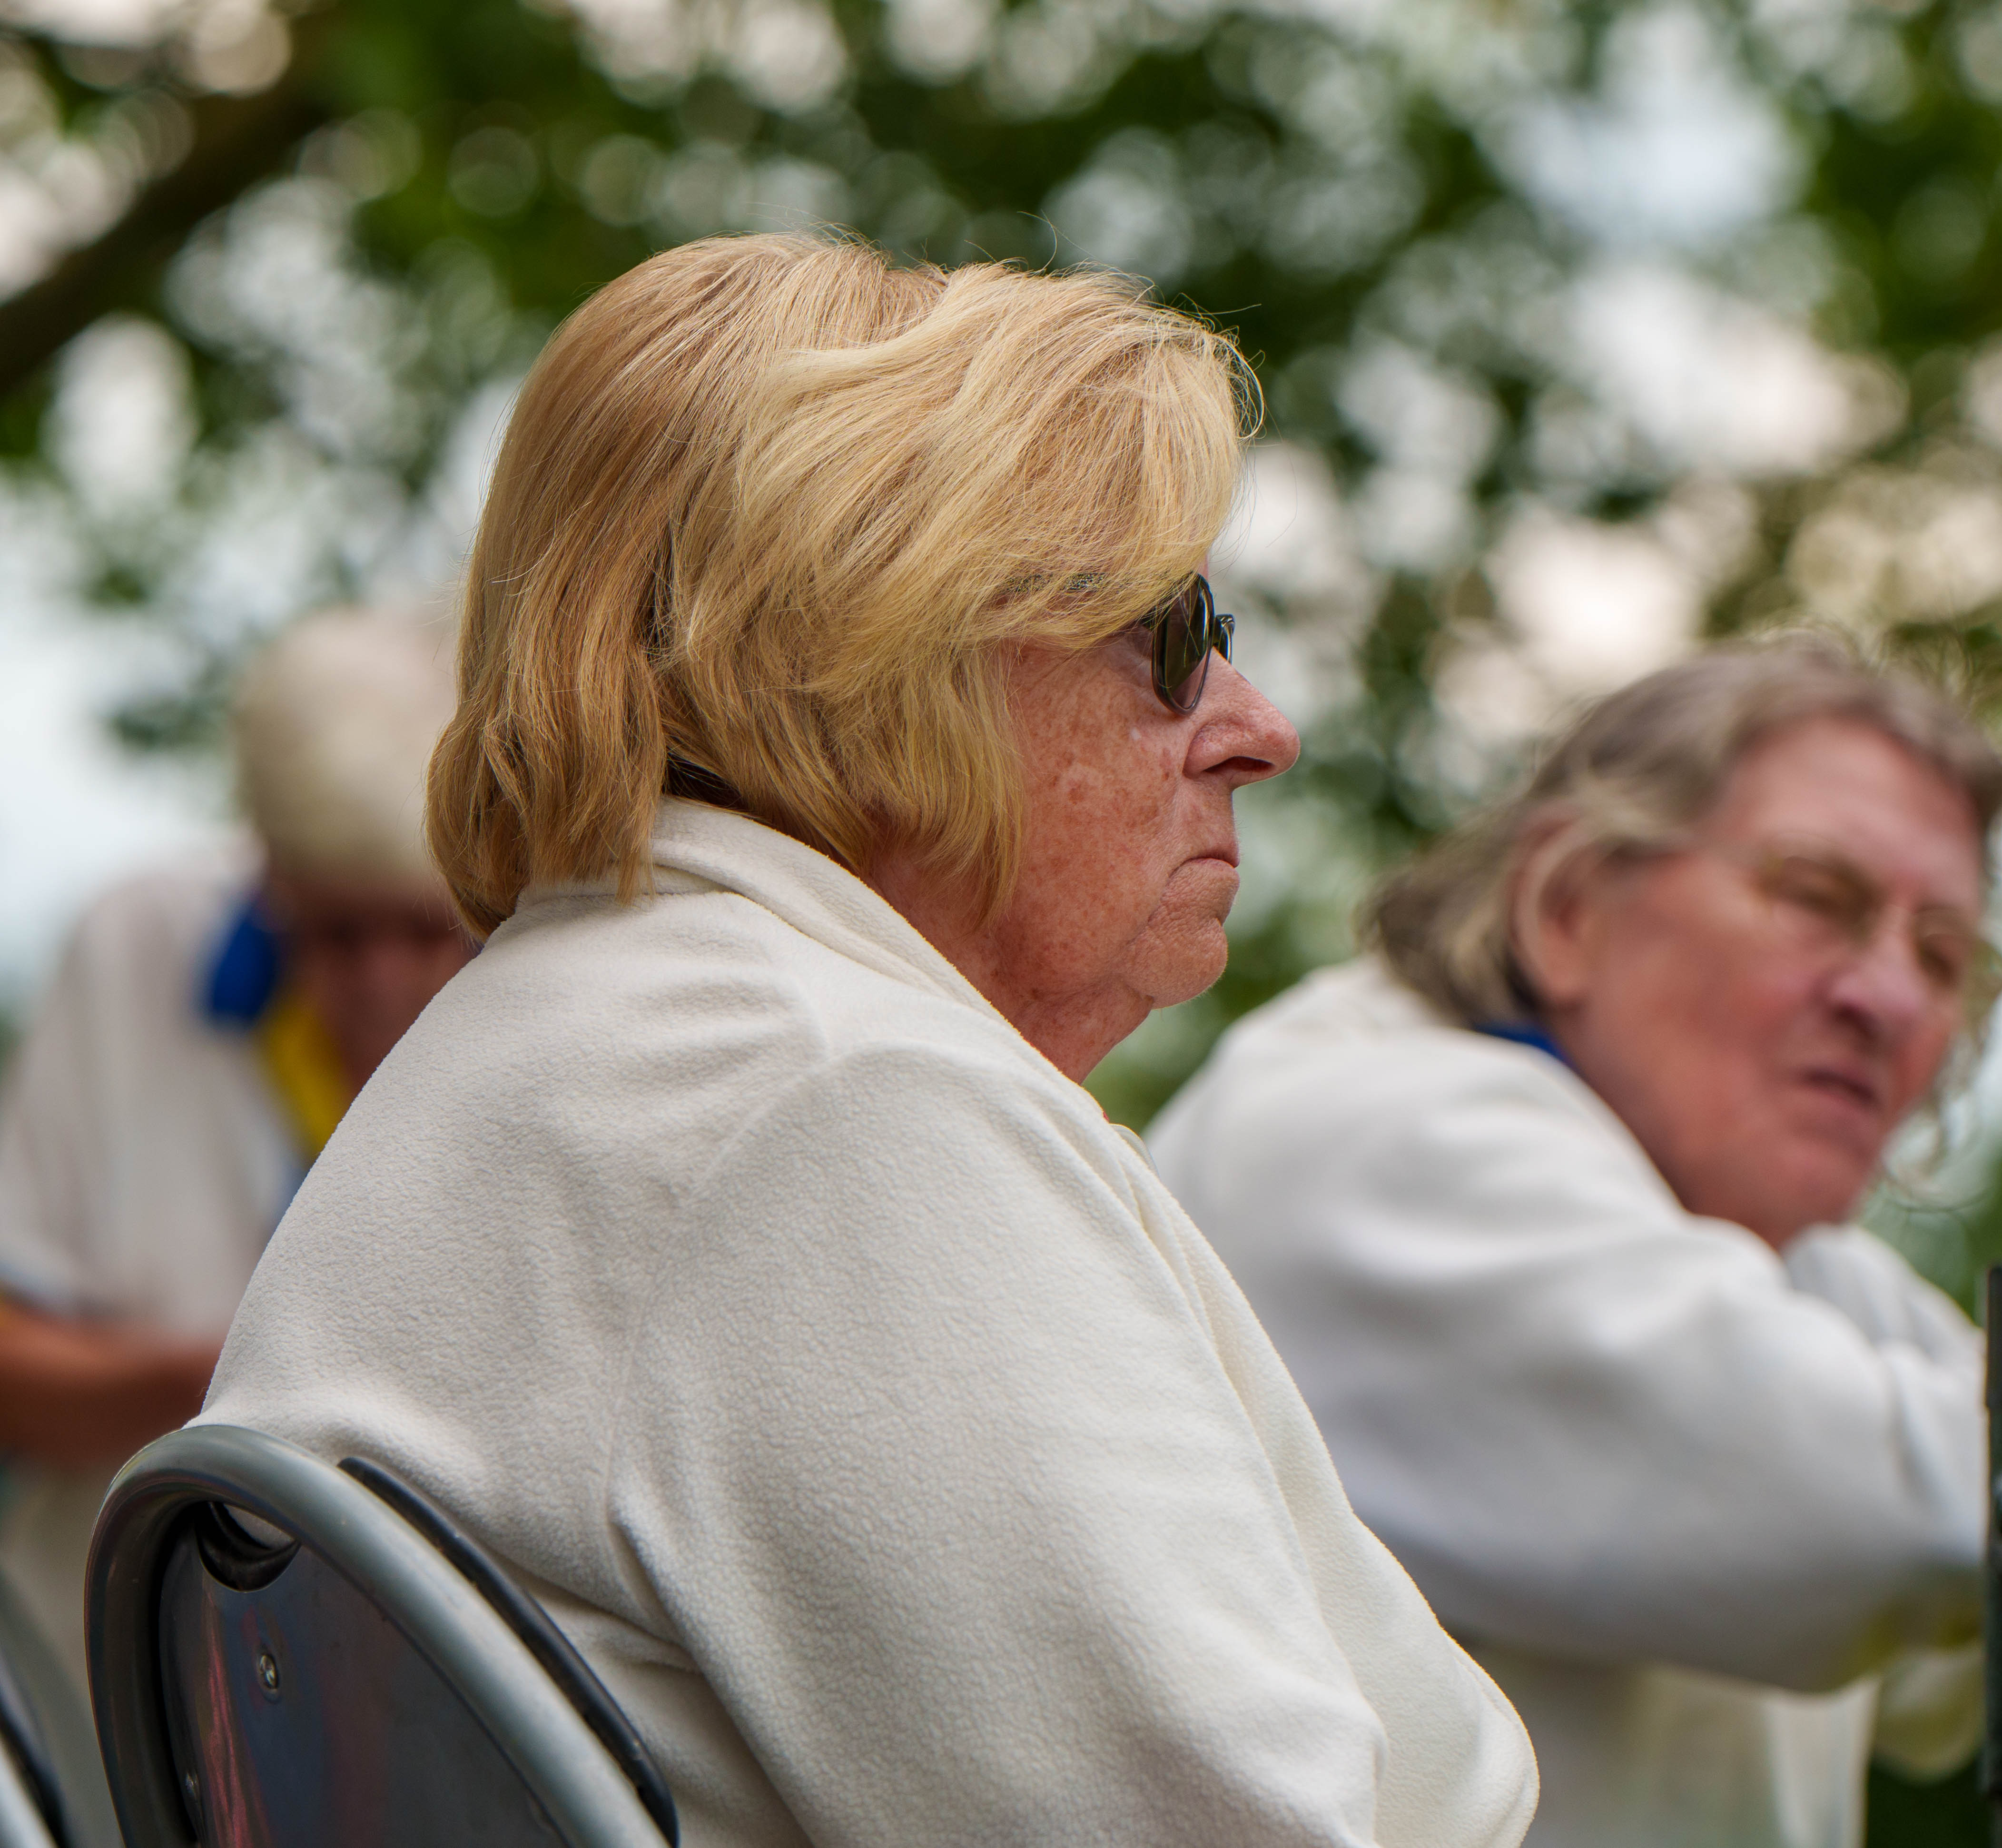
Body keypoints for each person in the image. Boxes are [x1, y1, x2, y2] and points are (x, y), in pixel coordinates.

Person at [201, 234, 1537, 1847]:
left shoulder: (588, 1041)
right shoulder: (837, 1107)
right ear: (871, 664)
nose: (1258, 729)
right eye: (1170, 631)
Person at [1147, 636, 2002, 1848]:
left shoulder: (1750, 1243)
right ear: (1567, 905)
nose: (1889, 997)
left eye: (1942, 951)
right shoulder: (1367, 1130)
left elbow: (1942, 1611)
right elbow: (1845, 1488)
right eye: (1818, 897)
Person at [0, 607, 467, 1679]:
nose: (384, 984)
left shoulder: (548, 995)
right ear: (271, 876)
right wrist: (225, 1387)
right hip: (99, 1686)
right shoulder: (132, 947)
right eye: (338, 934)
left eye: (425, 929)